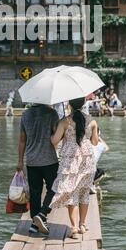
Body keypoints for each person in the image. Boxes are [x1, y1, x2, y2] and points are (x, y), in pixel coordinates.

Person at [50, 98, 98, 239]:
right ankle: (83, 224)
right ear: (83, 105)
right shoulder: (92, 121)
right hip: (88, 161)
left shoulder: (65, 121)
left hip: (70, 162)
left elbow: (54, 141)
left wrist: (55, 131)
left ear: (69, 105)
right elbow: (95, 142)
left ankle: (74, 227)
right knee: (84, 193)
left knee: (71, 194)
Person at [17, 104, 59, 235]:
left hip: (32, 160)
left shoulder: (26, 115)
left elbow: (22, 140)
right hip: (49, 160)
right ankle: (42, 214)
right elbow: (55, 138)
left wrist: (19, 161)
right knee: (55, 188)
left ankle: (34, 224)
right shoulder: (52, 113)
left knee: (35, 192)